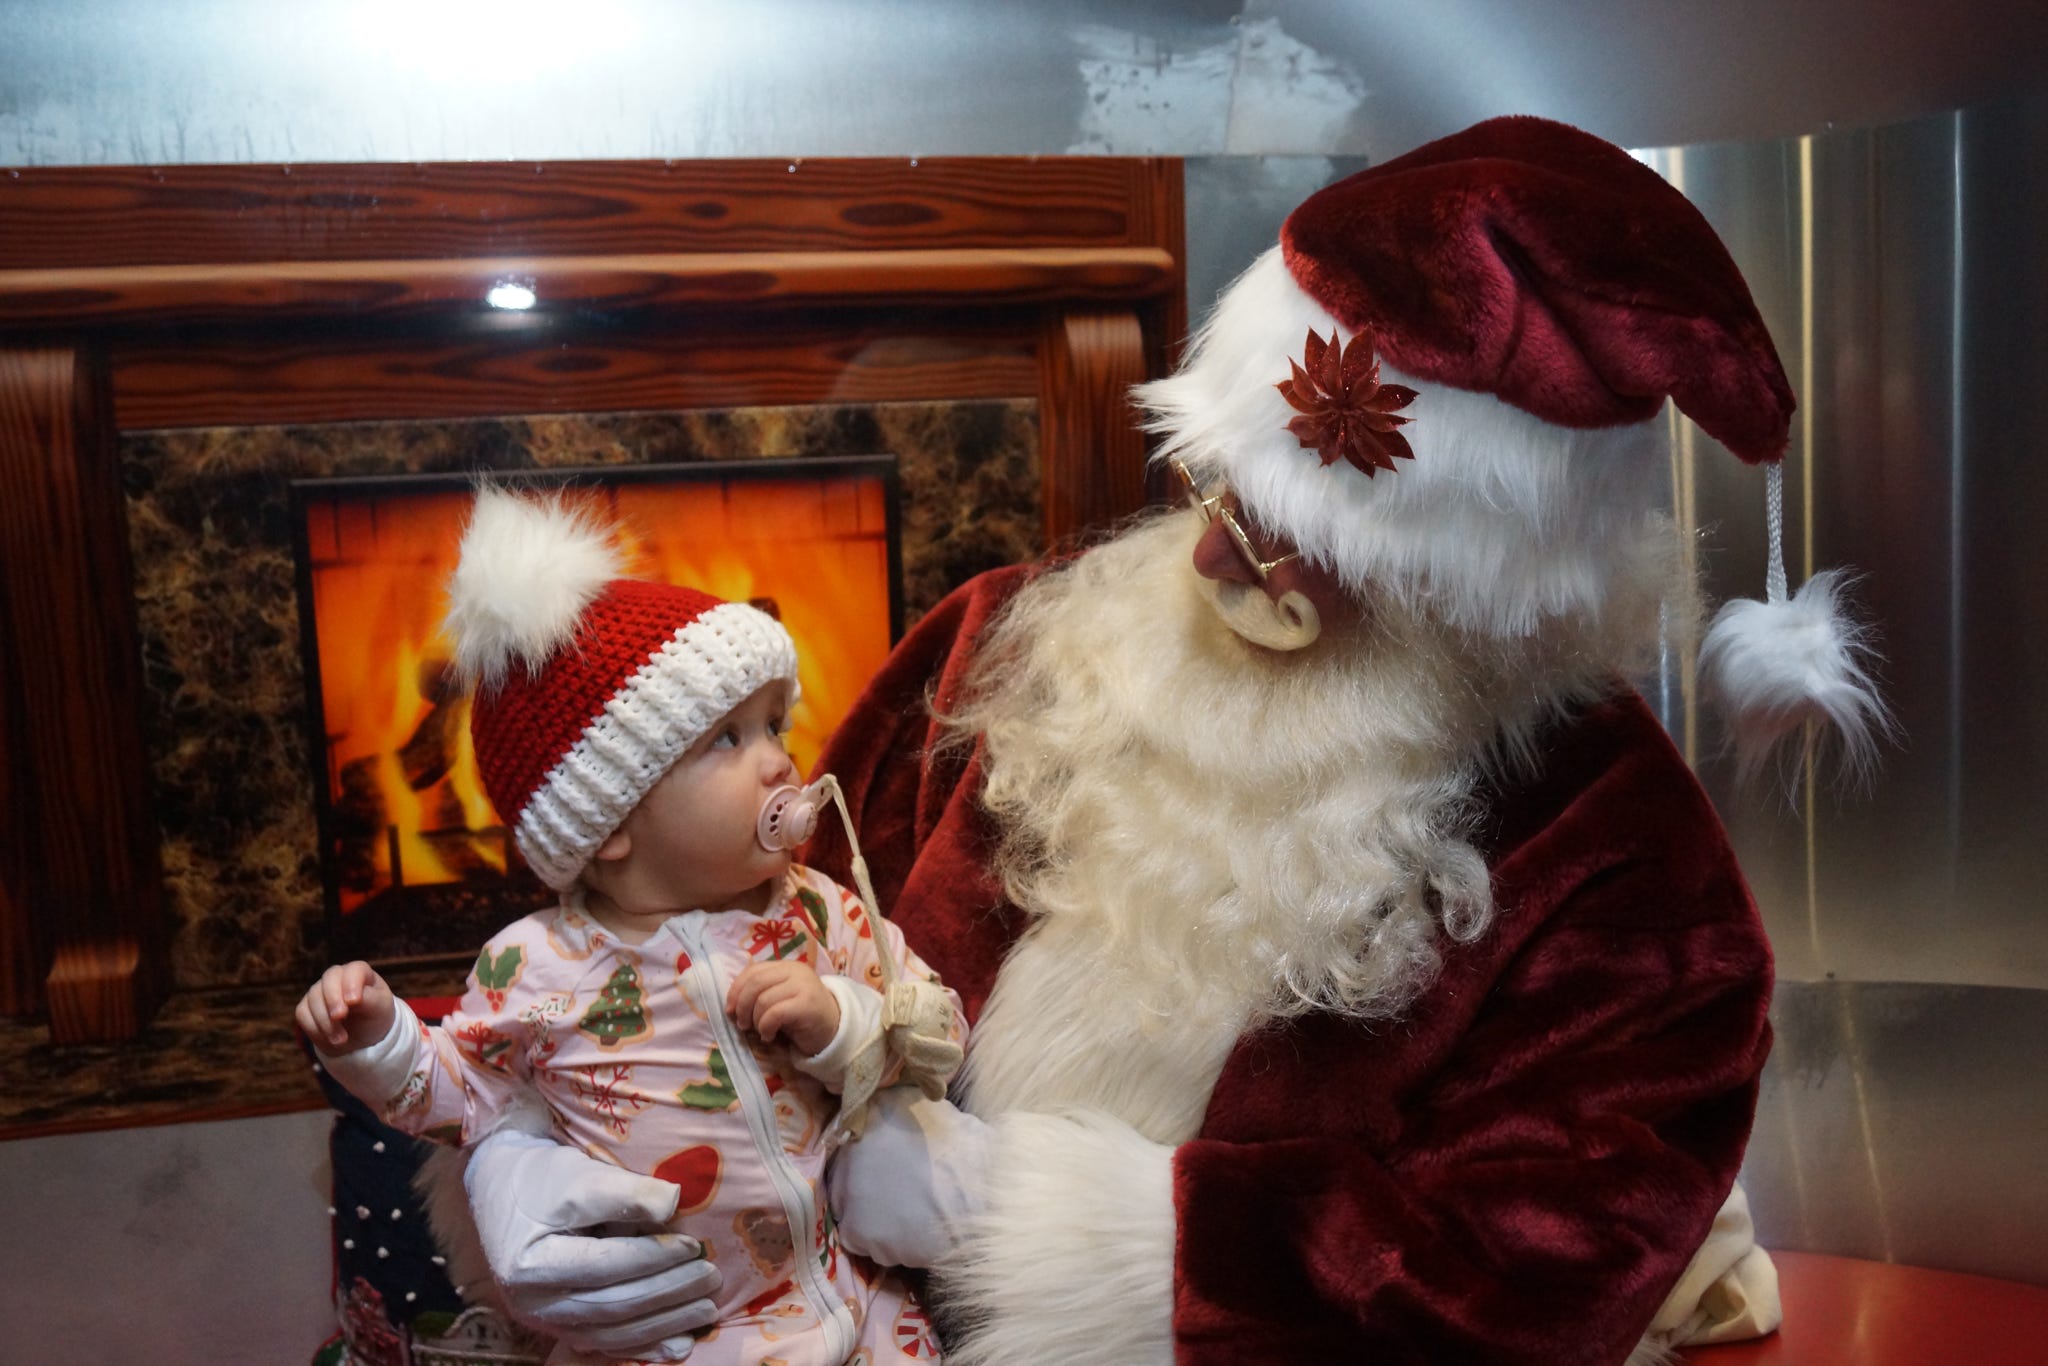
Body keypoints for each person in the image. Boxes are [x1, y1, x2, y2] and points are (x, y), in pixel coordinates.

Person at [452, 117, 1889, 1364]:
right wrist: (516, 1157)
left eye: (1288, 547)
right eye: (1216, 489)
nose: (1206, 561)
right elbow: (705, 933)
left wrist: (1017, 1217)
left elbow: (1529, 1276)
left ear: (1471, 598)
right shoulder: (996, 639)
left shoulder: (1626, 867)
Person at [297, 486, 965, 1366]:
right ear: (609, 823)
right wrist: (378, 1039)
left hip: (852, 1303)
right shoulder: (537, 966)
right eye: (728, 738)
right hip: (670, 1338)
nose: (780, 760)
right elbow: (461, 1098)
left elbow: (938, 1032)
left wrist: (842, 1020)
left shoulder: (819, 908)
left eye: (775, 725)